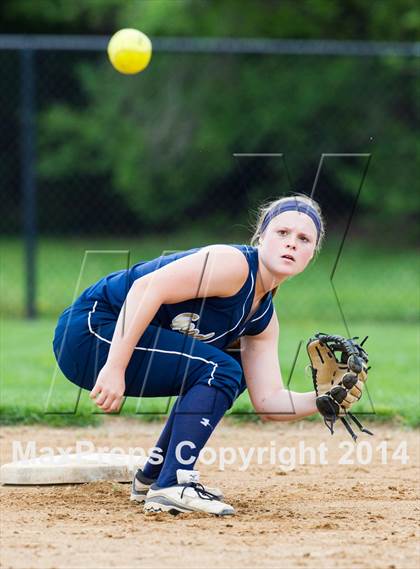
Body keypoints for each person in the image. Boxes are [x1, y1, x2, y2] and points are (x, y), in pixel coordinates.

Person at [53, 194, 325, 517]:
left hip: (120, 341)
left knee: (233, 366)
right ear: (261, 236)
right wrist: (115, 367)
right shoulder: (234, 265)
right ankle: (174, 482)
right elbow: (144, 288)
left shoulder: (263, 319)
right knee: (220, 367)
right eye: (282, 233)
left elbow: (267, 401)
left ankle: (154, 475)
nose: (291, 244)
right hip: (91, 331)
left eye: (303, 238)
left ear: (312, 254)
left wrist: (323, 399)